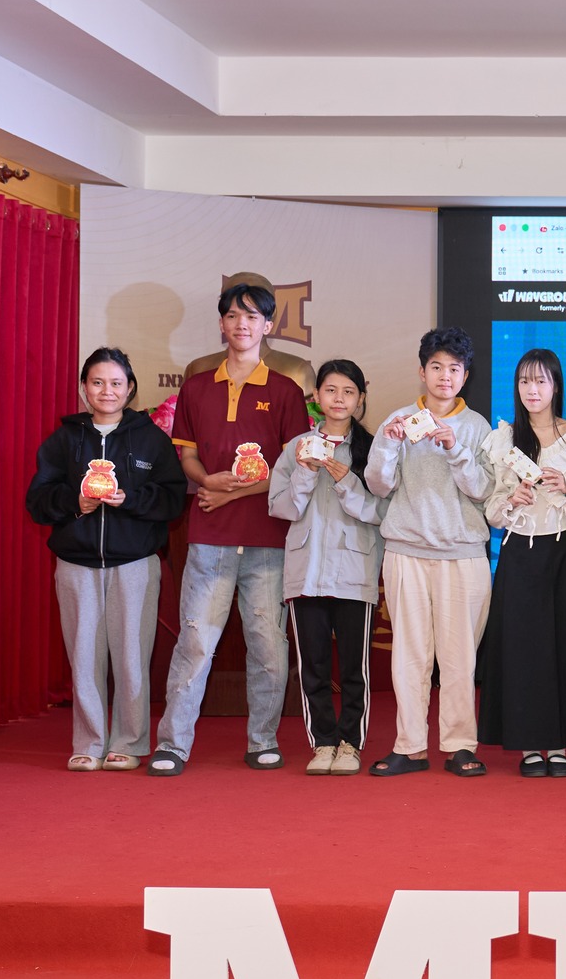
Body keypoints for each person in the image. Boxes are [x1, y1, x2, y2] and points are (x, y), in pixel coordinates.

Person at [149, 283, 312, 776]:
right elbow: (187, 453)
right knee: (195, 642)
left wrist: (230, 493)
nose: (242, 324)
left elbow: (292, 469)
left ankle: (263, 739)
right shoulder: (196, 386)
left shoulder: (285, 391)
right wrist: (206, 481)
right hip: (208, 538)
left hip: (268, 539)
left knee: (268, 645)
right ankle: (172, 744)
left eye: (252, 316)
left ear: (268, 326)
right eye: (233, 316)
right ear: (221, 324)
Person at [26, 348, 187, 772]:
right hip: (76, 565)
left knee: (132, 657)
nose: (107, 391)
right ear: (84, 388)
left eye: (116, 383)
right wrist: (75, 502)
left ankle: (129, 742)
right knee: (83, 658)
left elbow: (172, 500)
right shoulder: (64, 440)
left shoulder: (150, 439)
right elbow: (38, 501)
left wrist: (129, 499)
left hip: (135, 564)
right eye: (97, 382)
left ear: (130, 388)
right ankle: (89, 742)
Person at [364, 327, 496, 777]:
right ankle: (410, 746)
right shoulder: (398, 420)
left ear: (465, 376)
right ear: (422, 372)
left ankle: (460, 745)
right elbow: (378, 486)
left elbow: (484, 490)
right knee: (409, 656)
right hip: (406, 550)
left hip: (463, 553)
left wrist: (455, 448)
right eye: (436, 367)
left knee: (460, 658)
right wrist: (389, 443)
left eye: (454, 369)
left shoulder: (477, 427)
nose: (445, 376)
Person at [478, 349, 566, 776]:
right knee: (522, 649)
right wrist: (511, 499)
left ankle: (559, 746)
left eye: (541, 380)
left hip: (562, 553)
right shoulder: (504, 438)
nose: (532, 389)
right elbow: (491, 511)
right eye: (525, 381)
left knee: (563, 646)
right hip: (518, 556)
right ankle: (529, 746)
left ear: (556, 386)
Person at [267, 360, 384, 776]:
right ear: (316, 397)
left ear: (361, 398)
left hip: (355, 570)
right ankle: (323, 742)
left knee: (354, 668)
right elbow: (280, 508)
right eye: (330, 390)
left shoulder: (374, 449)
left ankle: (351, 743)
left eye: (348, 392)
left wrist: (346, 481)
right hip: (307, 571)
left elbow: (382, 513)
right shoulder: (296, 448)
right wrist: (303, 472)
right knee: (313, 666)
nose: (339, 399)